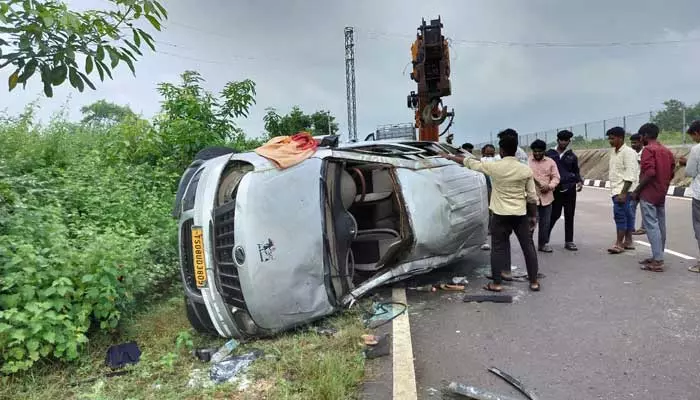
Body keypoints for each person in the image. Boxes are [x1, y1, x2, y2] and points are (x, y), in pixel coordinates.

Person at [442, 129, 540, 292]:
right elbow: (531, 197)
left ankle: (497, 283)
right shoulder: (525, 170)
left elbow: (470, 163)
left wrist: (450, 157)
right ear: (515, 150)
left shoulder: (494, 167)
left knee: (498, 248)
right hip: (519, 214)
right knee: (528, 247)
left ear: (501, 151)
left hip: (500, 215)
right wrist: (533, 216)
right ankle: (534, 281)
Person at [631, 122, 674, 272]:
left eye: (641, 136)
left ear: (646, 136)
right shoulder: (666, 151)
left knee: (651, 226)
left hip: (649, 193)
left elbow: (649, 173)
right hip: (661, 192)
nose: (640, 139)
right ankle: (658, 254)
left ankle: (658, 260)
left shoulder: (648, 150)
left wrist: (637, 191)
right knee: (660, 225)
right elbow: (672, 171)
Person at [546, 130, 583, 251]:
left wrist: (579, 181)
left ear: (568, 141)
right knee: (554, 214)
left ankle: (569, 241)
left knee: (569, 214)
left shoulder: (572, 156)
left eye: (566, 140)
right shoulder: (549, 154)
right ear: (557, 140)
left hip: (570, 189)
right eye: (561, 140)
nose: (563, 142)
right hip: (555, 189)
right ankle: (544, 239)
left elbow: (576, 171)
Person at [605, 127, 639, 254]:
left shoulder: (628, 152)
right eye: (609, 138)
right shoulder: (614, 152)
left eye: (612, 138)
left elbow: (630, 174)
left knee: (620, 216)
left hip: (622, 190)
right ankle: (629, 241)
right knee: (628, 214)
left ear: (620, 138)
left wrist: (623, 193)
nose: (610, 141)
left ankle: (619, 244)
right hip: (616, 188)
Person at [528, 139, 560, 253]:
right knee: (530, 223)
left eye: (540, 151)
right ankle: (528, 246)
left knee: (545, 224)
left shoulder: (550, 162)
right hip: (531, 199)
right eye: (535, 151)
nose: (537, 153)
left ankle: (543, 244)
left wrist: (550, 186)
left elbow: (556, 177)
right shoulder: (527, 162)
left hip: (547, 198)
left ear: (544, 151)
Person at [678, 120, 700, 273]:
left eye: (693, 136)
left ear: (697, 133)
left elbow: (691, 172)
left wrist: (686, 163)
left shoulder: (697, 149)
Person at [479, 144, 498, 250]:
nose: (490, 156)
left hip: (494, 188)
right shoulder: (481, 162)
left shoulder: (497, 161)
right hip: (485, 188)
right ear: (483, 153)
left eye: (492, 153)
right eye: (488, 153)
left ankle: (491, 228)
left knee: (493, 211)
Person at [629, 133, 646, 235]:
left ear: (641, 142)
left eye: (635, 143)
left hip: (643, 185)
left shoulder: (645, 153)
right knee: (631, 206)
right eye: (631, 143)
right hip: (634, 185)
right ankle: (631, 227)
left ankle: (644, 227)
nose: (633, 145)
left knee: (644, 207)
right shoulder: (632, 154)